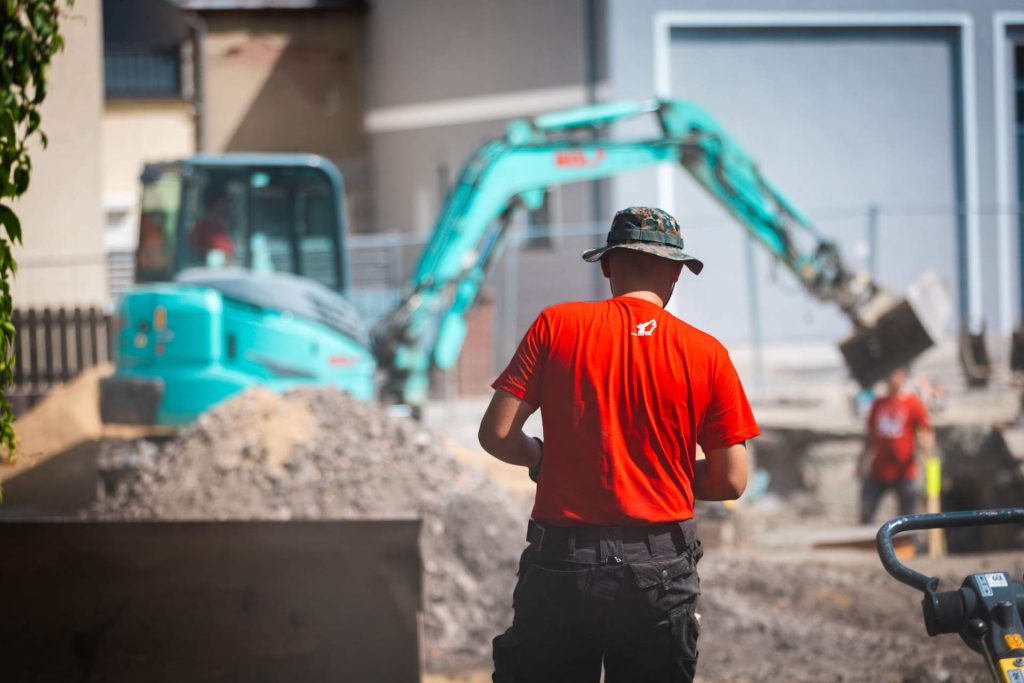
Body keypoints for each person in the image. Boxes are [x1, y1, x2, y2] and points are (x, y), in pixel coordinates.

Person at [478, 206, 760, 682]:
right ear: (676, 273)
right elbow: (731, 480)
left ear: (608, 265)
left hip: (563, 562)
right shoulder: (707, 353)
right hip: (659, 570)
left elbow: (497, 434)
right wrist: (659, 472)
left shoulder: (556, 326)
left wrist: (544, 458)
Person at [858, 366, 934, 524]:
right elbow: (869, 436)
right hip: (879, 469)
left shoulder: (912, 403)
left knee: (908, 516)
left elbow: (925, 431)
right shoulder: (878, 404)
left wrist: (926, 449)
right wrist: (861, 461)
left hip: (904, 470)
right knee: (867, 510)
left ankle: (912, 545)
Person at [188, 183, 236, 264]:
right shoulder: (205, 230)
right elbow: (227, 258)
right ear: (216, 204)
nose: (229, 207)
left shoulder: (221, 228)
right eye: (225, 202)